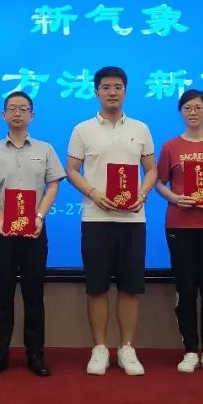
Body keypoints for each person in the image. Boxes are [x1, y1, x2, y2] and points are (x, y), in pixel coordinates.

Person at [65, 66, 156, 376]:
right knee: (97, 287)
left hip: (133, 220)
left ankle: (127, 348)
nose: (112, 92)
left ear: (125, 91)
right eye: (106, 87)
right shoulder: (83, 129)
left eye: (117, 87)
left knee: (130, 287)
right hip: (96, 218)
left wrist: (142, 194)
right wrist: (93, 193)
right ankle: (100, 348)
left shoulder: (141, 128)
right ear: (96, 91)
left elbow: (152, 170)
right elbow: (71, 169)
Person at [0, 91, 65, 377]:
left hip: (34, 231)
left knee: (33, 294)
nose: (17, 113)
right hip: (2, 231)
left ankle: (35, 354)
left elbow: (53, 185)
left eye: (23, 109)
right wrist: (1, 218)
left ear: (32, 116)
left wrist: (39, 216)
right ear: (3, 115)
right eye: (12, 108)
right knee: (2, 295)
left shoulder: (45, 149)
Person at [155, 89, 203, 375]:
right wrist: (175, 198)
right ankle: (190, 350)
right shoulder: (170, 146)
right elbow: (158, 183)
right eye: (187, 107)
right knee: (186, 289)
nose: (193, 112)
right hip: (180, 225)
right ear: (181, 112)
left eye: (198, 107)